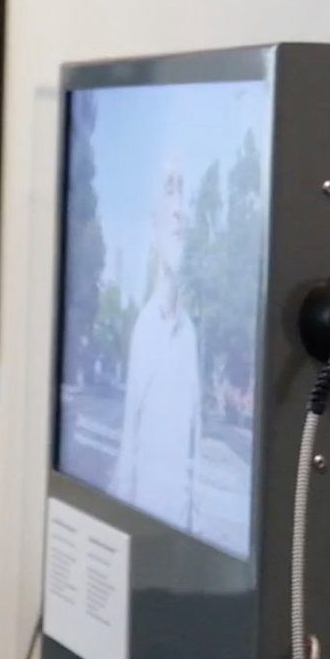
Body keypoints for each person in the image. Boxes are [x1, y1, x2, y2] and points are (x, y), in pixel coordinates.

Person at [111, 155, 205, 532]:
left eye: (183, 192)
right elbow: (127, 452)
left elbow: (194, 452)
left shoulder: (189, 334)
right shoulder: (145, 330)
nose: (179, 209)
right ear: (153, 228)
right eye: (170, 192)